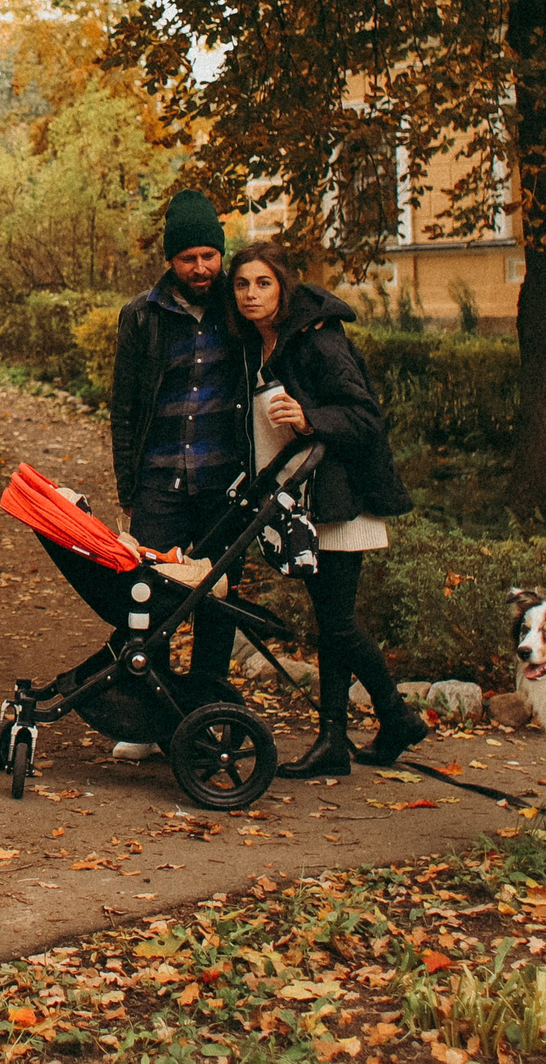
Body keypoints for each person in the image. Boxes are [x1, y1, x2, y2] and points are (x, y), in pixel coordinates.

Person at [226, 237, 426, 778]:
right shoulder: (256, 343)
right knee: (331, 620)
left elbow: (365, 417)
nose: (251, 294)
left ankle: (396, 714)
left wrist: (311, 417)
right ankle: (335, 741)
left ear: (283, 286)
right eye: (241, 284)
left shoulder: (318, 339)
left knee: (336, 624)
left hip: (342, 499)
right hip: (305, 501)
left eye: (263, 283)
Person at [104, 188, 248, 759]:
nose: (200, 268)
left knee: (216, 603)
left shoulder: (237, 311)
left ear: (221, 254)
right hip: (160, 482)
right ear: (170, 260)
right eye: (188, 258)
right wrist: (128, 491)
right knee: (148, 600)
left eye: (209, 256)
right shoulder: (141, 316)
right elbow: (123, 407)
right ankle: (148, 720)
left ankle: (205, 715)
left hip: (223, 484)